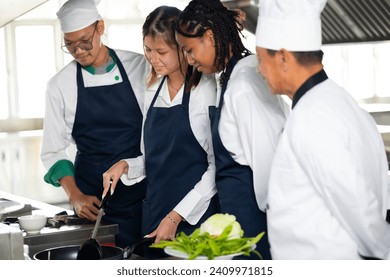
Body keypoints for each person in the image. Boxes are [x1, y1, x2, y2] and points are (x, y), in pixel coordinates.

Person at [256, 0, 390, 259]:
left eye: (261, 59)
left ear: (283, 57)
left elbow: (356, 203)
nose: (259, 69)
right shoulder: (340, 101)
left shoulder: (312, 116)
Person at [175, 0, 290, 259]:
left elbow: (268, 161)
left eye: (190, 50)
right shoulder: (232, 76)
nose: (190, 61)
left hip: (257, 227)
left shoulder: (245, 85)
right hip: (241, 226)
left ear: (210, 36)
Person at [102, 5, 219, 255]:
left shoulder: (205, 91)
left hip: (194, 221)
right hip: (156, 217)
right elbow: (152, 159)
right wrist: (124, 165)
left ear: (181, 48)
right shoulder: (152, 91)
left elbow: (216, 167)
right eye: (147, 49)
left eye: (161, 51)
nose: (153, 59)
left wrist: (177, 216)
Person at [40, 0, 148, 249]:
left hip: (141, 192)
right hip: (91, 200)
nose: (78, 51)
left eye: (84, 41)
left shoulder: (139, 66)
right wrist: (75, 196)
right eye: (69, 44)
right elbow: (53, 150)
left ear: (100, 27)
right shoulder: (60, 85)